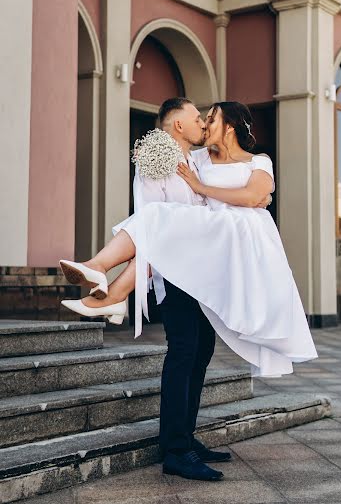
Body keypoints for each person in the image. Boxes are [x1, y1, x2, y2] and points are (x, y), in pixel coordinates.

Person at [60, 98, 318, 477]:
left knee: (200, 350)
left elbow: (255, 195)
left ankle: (181, 437)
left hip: (219, 270)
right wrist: (154, 150)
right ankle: (176, 450)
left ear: (229, 125)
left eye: (210, 119)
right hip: (182, 269)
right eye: (200, 118)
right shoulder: (195, 160)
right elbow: (161, 185)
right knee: (184, 349)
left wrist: (207, 188)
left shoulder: (255, 161)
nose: (204, 124)